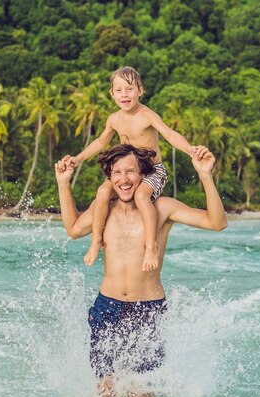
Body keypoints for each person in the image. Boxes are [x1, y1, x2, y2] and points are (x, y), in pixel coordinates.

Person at [55, 144, 227, 397]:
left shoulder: (162, 208)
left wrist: (205, 175)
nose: (124, 179)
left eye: (130, 172)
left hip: (147, 311)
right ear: (110, 178)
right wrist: (63, 183)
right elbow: (73, 229)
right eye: (117, 173)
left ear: (143, 175)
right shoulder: (104, 209)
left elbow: (217, 223)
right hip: (106, 309)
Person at [61, 66, 198, 272]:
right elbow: (100, 142)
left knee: (142, 196)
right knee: (102, 192)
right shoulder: (114, 119)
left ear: (140, 90)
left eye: (129, 89)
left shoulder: (147, 115)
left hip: (152, 171)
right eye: (119, 90)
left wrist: (190, 149)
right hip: (128, 171)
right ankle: (96, 240)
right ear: (112, 94)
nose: (124, 94)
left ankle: (151, 246)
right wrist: (78, 158)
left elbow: (170, 134)